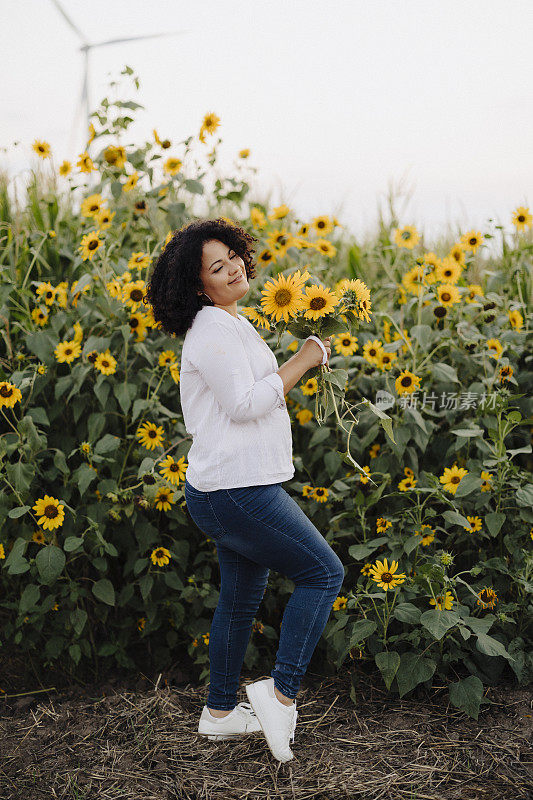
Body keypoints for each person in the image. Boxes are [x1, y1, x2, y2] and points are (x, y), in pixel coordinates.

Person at [145, 218, 344, 763]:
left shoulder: (228, 322)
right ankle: (279, 696)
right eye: (216, 266)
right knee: (323, 573)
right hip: (237, 491)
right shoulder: (211, 329)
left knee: (238, 600)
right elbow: (244, 403)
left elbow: (247, 395)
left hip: (226, 487)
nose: (233, 267)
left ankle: (219, 713)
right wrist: (304, 358)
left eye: (232, 255)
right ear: (197, 286)